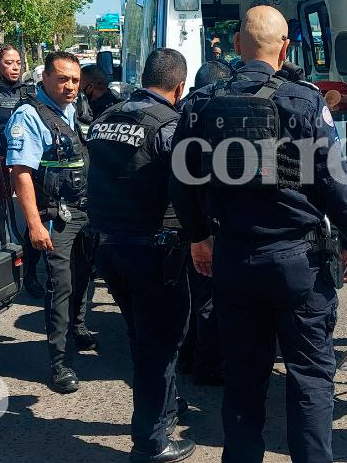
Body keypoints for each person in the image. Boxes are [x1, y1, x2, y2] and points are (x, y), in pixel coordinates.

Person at [170, 5, 347, 463]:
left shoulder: (201, 101)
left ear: (237, 45)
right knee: (311, 377)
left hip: (234, 259)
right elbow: (335, 179)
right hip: (299, 261)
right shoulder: (306, 100)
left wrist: (198, 236)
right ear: (286, 47)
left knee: (243, 377)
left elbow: (180, 177)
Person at [88, 49, 195, 463]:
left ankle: (165, 406)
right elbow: (189, 189)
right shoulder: (170, 126)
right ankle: (151, 442)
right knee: (162, 343)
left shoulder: (105, 119)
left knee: (142, 337)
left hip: (109, 248)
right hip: (153, 249)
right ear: (179, 87)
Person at [5, 51, 98, 393]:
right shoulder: (30, 116)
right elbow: (21, 173)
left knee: (84, 277)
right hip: (55, 215)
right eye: (62, 79)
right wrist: (34, 224)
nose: (70, 86)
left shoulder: (75, 109)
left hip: (85, 210)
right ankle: (60, 363)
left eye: (74, 80)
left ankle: (78, 328)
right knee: (60, 285)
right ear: (44, 78)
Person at [175, 58, 235, 386]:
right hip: (209, 222)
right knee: (209, 297)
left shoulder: (182, 111)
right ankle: (207, 366)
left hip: (182, 220)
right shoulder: (219, 114)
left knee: (190, 294)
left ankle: (188, 355)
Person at [0, 43, 48, 296]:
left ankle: (30, 274)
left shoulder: (31, 92)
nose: (15, 67)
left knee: (32, 222)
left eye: (18, 62)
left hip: (26, 168)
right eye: (9, 63)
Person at [76, 63, 122, 131]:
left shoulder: (111, 111)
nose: (77, 91)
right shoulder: (118, 104)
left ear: (90, 87)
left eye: (80, 87)